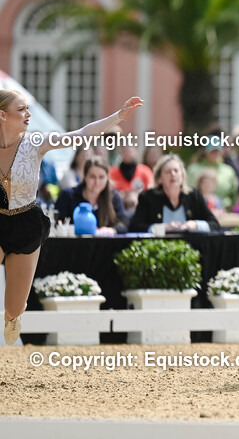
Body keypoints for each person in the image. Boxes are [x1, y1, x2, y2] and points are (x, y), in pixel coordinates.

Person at [0, 90, 143, 344]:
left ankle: (13, 316)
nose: (29, 114)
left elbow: (80, 135)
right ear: (2, 115)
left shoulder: (35, 142)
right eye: (22, 109)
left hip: (26, 224)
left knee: (14, 306)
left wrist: (118, 116)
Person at [130, 154, 220, 233]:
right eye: (168, 172)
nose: (173, 174)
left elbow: (214, 225)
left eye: (176, 171)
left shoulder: (194, 195)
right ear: (159, 178)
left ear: (182, 175)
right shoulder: (147, 198)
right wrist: (163, 228)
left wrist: (195, 224)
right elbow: (134, 227)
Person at [54, 157, 128, 233]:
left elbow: (123, 224)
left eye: (101, 177)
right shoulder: (68, 195)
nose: (97, 182)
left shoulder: (114, 197)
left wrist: (111, 230)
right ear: (85, 177)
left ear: (107, 178)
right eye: (92, 177)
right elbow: (56, 221)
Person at [186, 140, 239, 207]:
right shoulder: (193, 169)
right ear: (205, 151)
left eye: (217, 151)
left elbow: (234, 195)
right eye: (212, 150)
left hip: (223, 212)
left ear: (222, 152)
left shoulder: (229, 171)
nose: (215, 153)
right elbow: (187, 191)